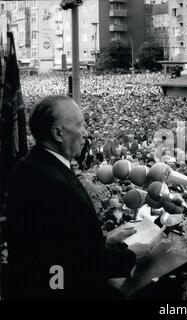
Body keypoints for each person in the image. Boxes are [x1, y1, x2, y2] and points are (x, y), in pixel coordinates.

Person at [6, 95, 149, 300]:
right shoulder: (51, 183)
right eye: (80, 125)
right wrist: (131, 256)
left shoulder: (34, 165)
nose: (86, 133)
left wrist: (104, 242)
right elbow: (73, 263)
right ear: (57, 133)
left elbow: (60, 241)